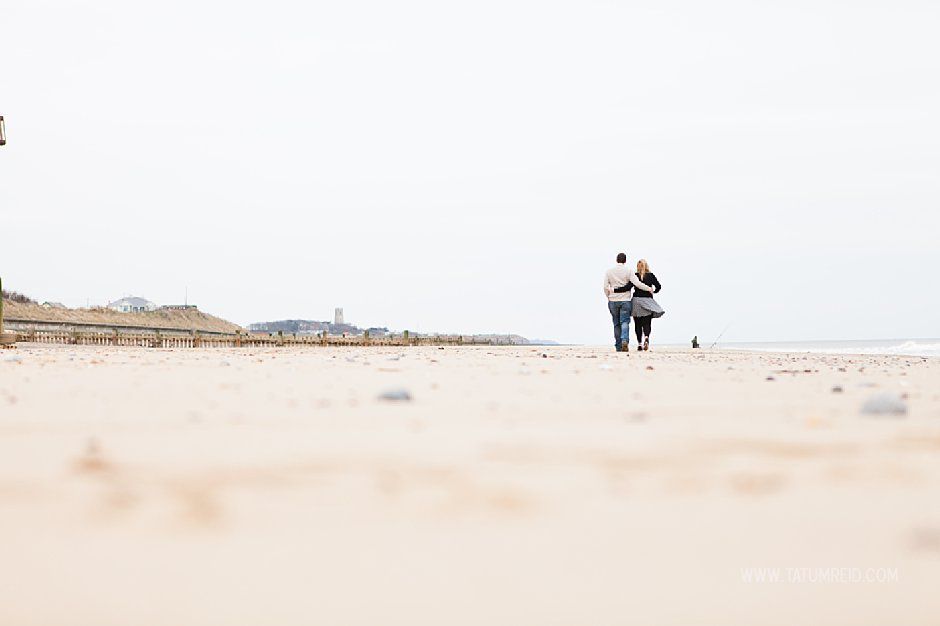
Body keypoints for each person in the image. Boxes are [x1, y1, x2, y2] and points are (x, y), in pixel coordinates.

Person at [603, 252, 654, 352]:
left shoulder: (609, 271)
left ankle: (618, 346)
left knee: (616, 324)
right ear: (625, 261)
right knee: (625, 322)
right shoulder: (628, 271)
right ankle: (625, 341)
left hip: (613, 300)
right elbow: (637, 284)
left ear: (616, 260)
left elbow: (605, 287)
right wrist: (648, 288)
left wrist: (608, 296)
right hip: (625, 300)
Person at [614, 258, 663, 351]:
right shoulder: (651, 276)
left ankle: (640, 344)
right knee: (647, 322)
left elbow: (628, 287)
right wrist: (653, 291)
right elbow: (659, 286)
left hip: (636, 301)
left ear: (637, 267)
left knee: (638, 324)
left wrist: (615, 290)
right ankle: (647, 338)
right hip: (648, 301)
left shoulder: (635, 275)